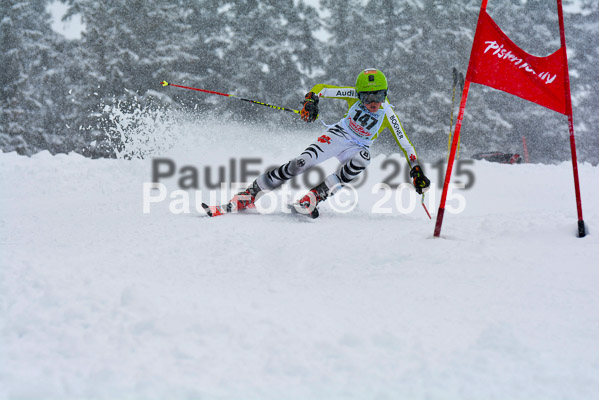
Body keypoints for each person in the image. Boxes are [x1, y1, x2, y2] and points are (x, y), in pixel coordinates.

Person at [204, 68, 430, 218]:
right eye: (367, 98)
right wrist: (311, 100)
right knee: (300, 164)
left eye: (379, 96)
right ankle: (250, 194)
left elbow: (407, 146)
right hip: (338, 135)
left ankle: (315, 196)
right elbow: (321, 88)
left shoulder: (388, 113)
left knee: (364, 158)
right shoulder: (352, 93)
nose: (373, 103)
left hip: (357, 147)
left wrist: (416, 170)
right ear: (359, 95)